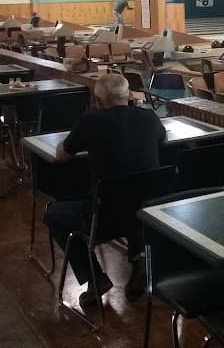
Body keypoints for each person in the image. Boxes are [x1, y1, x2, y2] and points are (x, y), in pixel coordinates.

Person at [45, 74, 166, 307]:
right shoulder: (150, 117)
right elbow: (162, 139)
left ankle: (94, 278)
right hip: (147, 215)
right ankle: (140, 258)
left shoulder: (90, 121)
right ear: (129, 96)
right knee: (133, 193)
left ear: (97, 101)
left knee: (53, 213)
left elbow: (61, 156)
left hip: (103, 220)